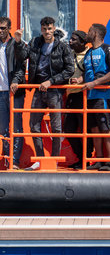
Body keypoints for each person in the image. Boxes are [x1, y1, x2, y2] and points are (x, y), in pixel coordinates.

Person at [26, 16, 75, 170]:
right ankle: (39, 160)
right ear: (41, 29)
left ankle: (53, 160)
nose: (47, 31)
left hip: (54, 91)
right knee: (33, 125)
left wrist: (51, 81)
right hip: (38, 90)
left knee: (56, 127)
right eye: (44, 29)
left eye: (49, 28)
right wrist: (20, 43)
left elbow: (70, 70)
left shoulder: (63, 46)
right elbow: (23, 56)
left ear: (54, 29)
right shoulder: (35, 43)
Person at [81, 24, 110, 171]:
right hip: (90, 96)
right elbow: (87, 74)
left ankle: (109, 162)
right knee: (94, 129)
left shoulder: (106, 49)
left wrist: (95, 83)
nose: (87, 33)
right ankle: (99, 160)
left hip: (103, 95)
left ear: (95, 33)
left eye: (89, 30)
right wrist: (79, 81)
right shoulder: (88, 52)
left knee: (105, 127)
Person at [0, 17, 27, 170]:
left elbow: (22, 63)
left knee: (16, 127)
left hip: (13, 92)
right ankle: (6, 158)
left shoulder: (15, 44)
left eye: (3, 28)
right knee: (2, 129)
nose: (0, 31)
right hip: (0, 92)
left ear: (9, 28)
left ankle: (14, 161)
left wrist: (15, 81)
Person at [64, 30, 88, 169]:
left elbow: (94, 72)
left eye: (73, 40)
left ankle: (86, 159)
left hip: (83, 95)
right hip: (71, 95)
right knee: (69, 128)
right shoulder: (69, 54)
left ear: (82, 42)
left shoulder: (89, 54)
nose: (70, 41)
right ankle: (80, 157)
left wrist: (81, 79)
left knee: (85, 129)